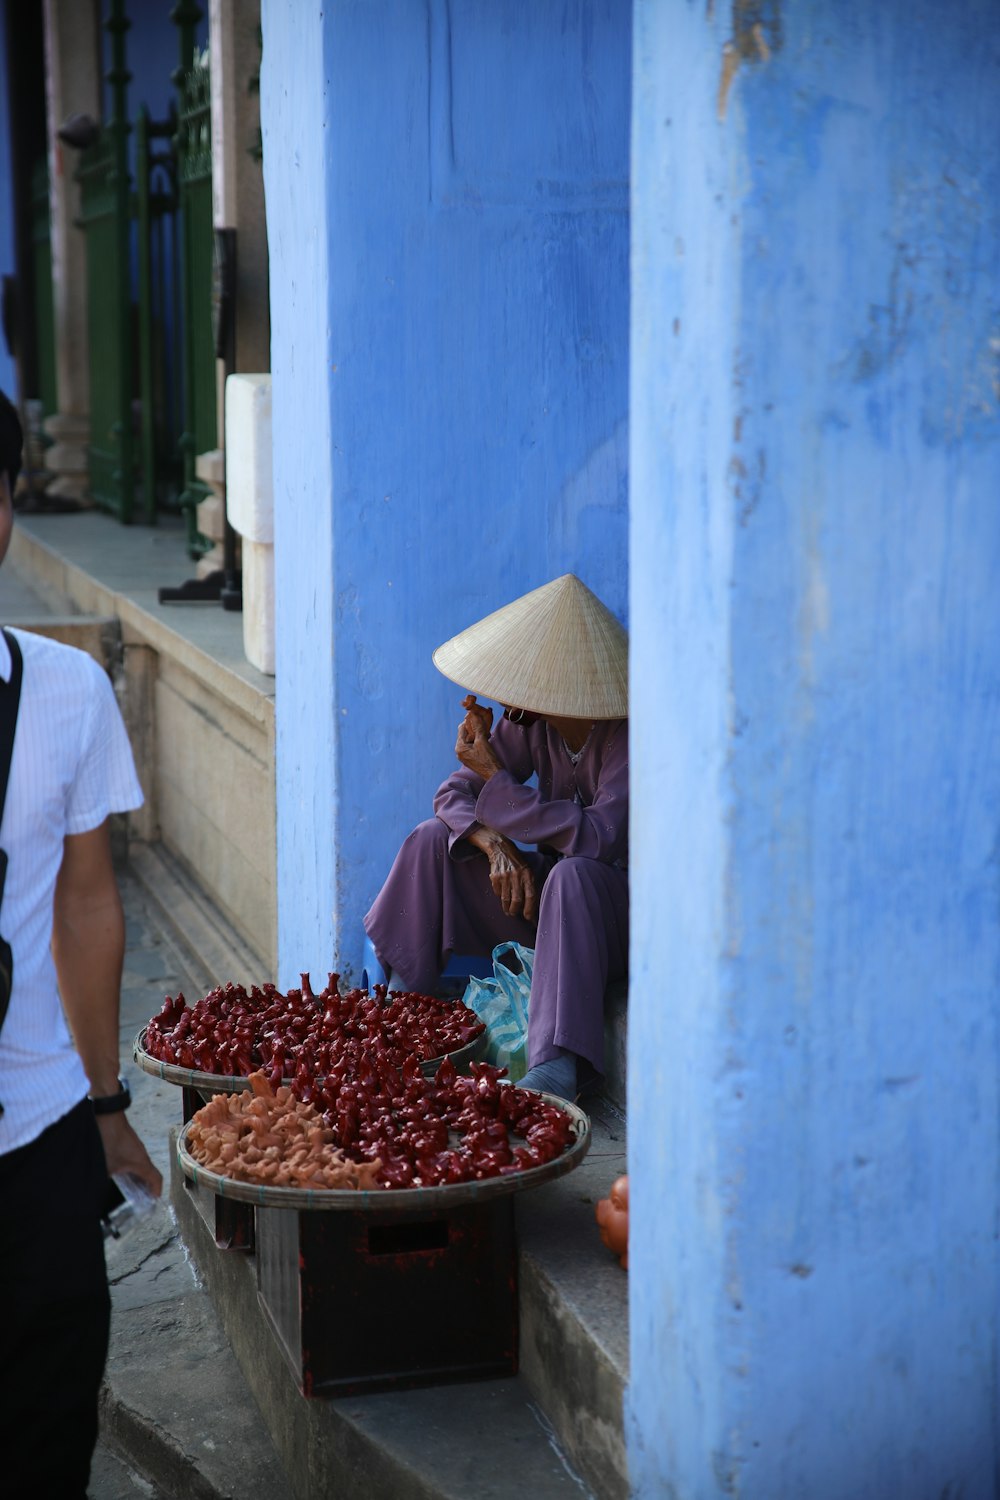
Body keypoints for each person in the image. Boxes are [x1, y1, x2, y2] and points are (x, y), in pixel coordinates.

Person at [0, 392, 163, 1497]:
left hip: (41, 1126)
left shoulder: (67, 690)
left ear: (8, 512)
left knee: (51, 1429)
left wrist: (106, 1107)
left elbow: (88, 903)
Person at [364, 573, 629, 1101]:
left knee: (573, 874)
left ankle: (558, 1063)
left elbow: (599, 838)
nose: (508, 697)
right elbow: (452, 795)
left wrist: (499, 784)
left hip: (611, 916)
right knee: (430, 840)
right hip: (548, 907)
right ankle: (404, 1014)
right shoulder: (532, 726)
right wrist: (493, 842)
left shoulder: (628, 739)